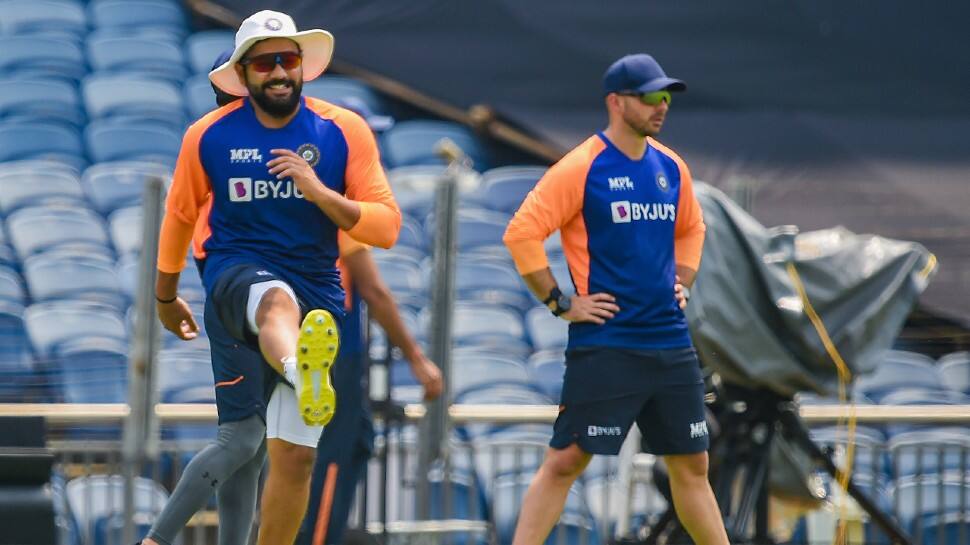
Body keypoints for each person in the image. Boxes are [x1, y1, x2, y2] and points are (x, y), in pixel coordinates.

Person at [142, 9, 401, 545]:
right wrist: (165, 295)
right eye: (265, 63)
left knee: (290, 459)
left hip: (319, 294)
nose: (279, 71)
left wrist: (322, 194)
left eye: (288, 59)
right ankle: (294, 363)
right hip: (237, 276)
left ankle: (302, 369)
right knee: (272, 304)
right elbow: (180, 215)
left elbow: (387, 227)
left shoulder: (343, 130)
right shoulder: (207, 137)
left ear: (302, 64)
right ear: (243, 73)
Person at [206, 57, 444, 545]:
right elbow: (373, 290)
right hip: (331, 351)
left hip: (281, 343)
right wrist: (419, 362)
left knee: (295, 459)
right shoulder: (326, 204)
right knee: (323, 467)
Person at [502, 53, 730, 545]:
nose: (661, 106)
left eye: (665, 96)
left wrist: (684, 281)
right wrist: (561, 303)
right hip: (607, 344)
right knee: (565, 460)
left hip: (670, 342)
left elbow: (693, 228)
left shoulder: (671, 167)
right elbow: (521, 234)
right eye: (649, 97)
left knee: (693, 466)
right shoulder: (583, 166)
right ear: (616, 101)